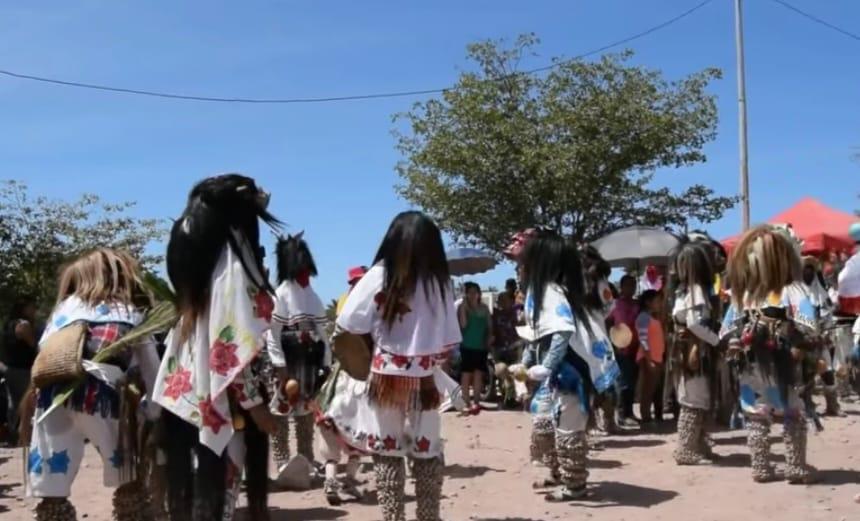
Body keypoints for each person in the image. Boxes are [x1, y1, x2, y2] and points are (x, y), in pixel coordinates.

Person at [153, 175, 280, 521]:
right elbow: (231, 349)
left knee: (197, 496)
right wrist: (256, 407)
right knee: (217, 498)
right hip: (225, 400)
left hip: (188, 395)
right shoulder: (232, 272)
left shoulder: (202, 269)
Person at [335, 211, 460, 521]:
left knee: (387, 450)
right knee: (427, 449)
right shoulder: (439, 282)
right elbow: (448, 341)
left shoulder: (379, 275)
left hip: (384, 376)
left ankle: (393, 517)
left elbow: (348, 321)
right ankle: (428, 516)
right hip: (426, 379)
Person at [26, 248, 160, 521]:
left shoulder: (62, 311)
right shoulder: (127, 310)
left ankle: (53, 511)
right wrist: (155, 412)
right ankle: (133, 511)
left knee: (54, 481)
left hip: (51, 396)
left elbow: (44, 351)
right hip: (102, 394)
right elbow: (150, 366)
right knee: (128, 473)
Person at [512, 230, 619, 501]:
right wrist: (526, 364)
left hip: (571, 372)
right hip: (558, 371)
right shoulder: (546, 291)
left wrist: (545, 367)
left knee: (569, 428)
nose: (520, 268)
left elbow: (561, 333)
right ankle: (561, 474)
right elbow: (537, 336)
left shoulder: (552, 291)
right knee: (550, 424)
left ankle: (575, 486)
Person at [720, 225, 819, 484]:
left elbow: (729, 331)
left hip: (765, 360)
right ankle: (793, 467)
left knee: (759, 413)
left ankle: (764, 467)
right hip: (768, 362)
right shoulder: (790, 291)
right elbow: (810, 327)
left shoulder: (748, 295)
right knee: (788, 412)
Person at [266, 233, 331, 471]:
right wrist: (279, 365)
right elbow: (272, 334)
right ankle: (282, 460)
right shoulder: (281, 293)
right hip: (287, 364)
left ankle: (306, 457)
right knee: (281, 411)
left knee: (305, 410)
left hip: (309, 362)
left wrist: (326, 359)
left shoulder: (311, 295)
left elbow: (322, 331)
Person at [317, 265, 369, 506]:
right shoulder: (366, 302)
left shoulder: (345, 301)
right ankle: (343, 479)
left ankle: (336, 480)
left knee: (333, 422)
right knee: (360, 424)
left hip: (344, 371)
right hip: (358, 373)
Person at [668, 241, 721, 465]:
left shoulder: (684, 291)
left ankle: (698, 445)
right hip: (694, 350)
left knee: (696, 398)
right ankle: (687, 449)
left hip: (687, 349)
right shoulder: (695, 290)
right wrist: (717, 340)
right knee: (694, 399)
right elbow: (695, 324)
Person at [2, 295, 38, 446]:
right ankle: (23, 437)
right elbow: (33, 345)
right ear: (24, 309)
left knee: (14, 404)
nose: (35, 311)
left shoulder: (8, 324)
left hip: (10, 368)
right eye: (32, 307)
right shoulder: (23, 325)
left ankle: (14, 436)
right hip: (22, 370)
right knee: (24, 404)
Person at [607, 274, 640, 428]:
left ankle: (630, 412)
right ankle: (621, 415)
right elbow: (607, 325)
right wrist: (613, 345)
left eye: (633, 285)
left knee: (632, 383)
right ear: (621, 287)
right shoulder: (614, 305)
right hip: (620, 350)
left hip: (635, 348)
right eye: (628, 285)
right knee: (622, 384)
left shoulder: (637, 305)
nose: (631, 288)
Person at [458, 282, 492, 415]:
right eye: (470, 292)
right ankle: (466, 402)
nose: (473, 295)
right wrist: (464, 308)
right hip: (467, 345)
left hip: (481, 345)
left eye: (475, 292)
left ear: (479, 293)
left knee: (479, 374)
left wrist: (490, 337)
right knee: (466, 375)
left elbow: (489, 325)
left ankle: (476, 402)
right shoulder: (463, 307)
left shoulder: (484, 308)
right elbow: (463, 325)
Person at [636, 290, 665, 425]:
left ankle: (648, 416)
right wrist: (648, 360)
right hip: (649, 358)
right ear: (648, 302)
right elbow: (643, 340)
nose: (659, 304)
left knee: (652, 388)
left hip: (656, 357)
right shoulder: (643, 317)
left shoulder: (651, 317)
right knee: (647, 390)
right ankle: (646, 417)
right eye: (657, 301)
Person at [492, 291, 523, 408]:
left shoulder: (516, 313)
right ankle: (508, 394)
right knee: (502, 370)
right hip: (499, 349)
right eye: (500, 300)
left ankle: (511, 397)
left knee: (516, 372)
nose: (503, 303)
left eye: (505, 300)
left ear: (511, 301)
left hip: (514, 347)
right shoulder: (495, 315)